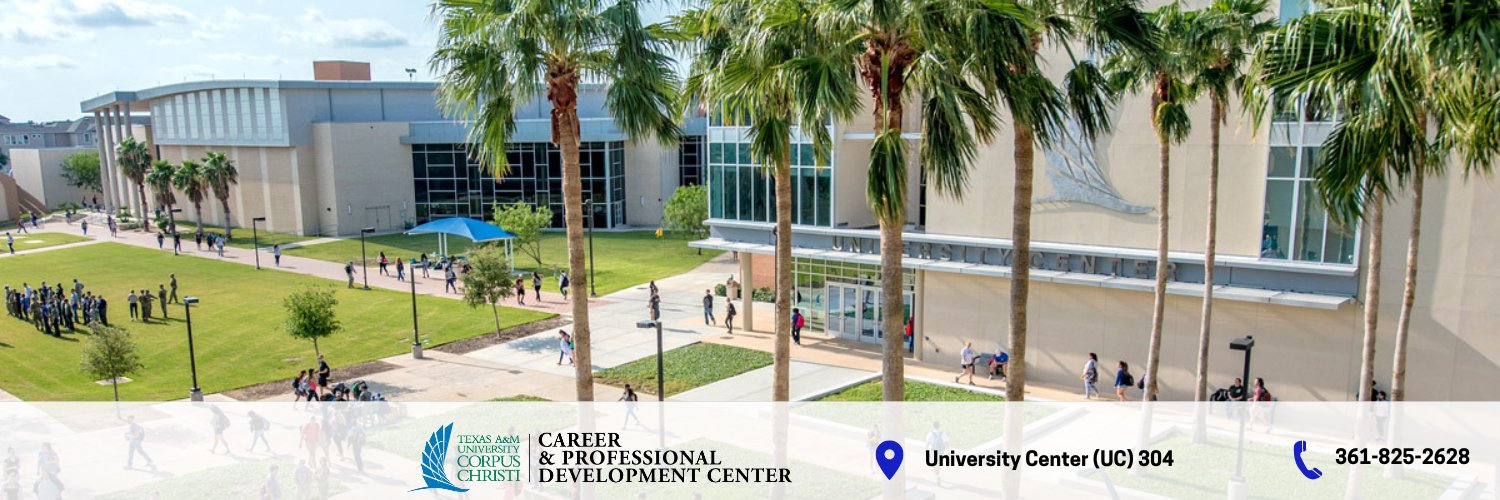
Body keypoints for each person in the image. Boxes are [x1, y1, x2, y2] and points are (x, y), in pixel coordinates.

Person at [925, 422, 946, 487]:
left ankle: (937, 476)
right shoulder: (943, 434)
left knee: (933, 464)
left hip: (933, 451)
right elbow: (946, 442)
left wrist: (926, 449)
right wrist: (948, 451)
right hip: (940, 451)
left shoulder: (930, 434)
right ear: (939, 426)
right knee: (938, 464)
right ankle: (938, 474)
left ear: (933, 426)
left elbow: (928, 443)